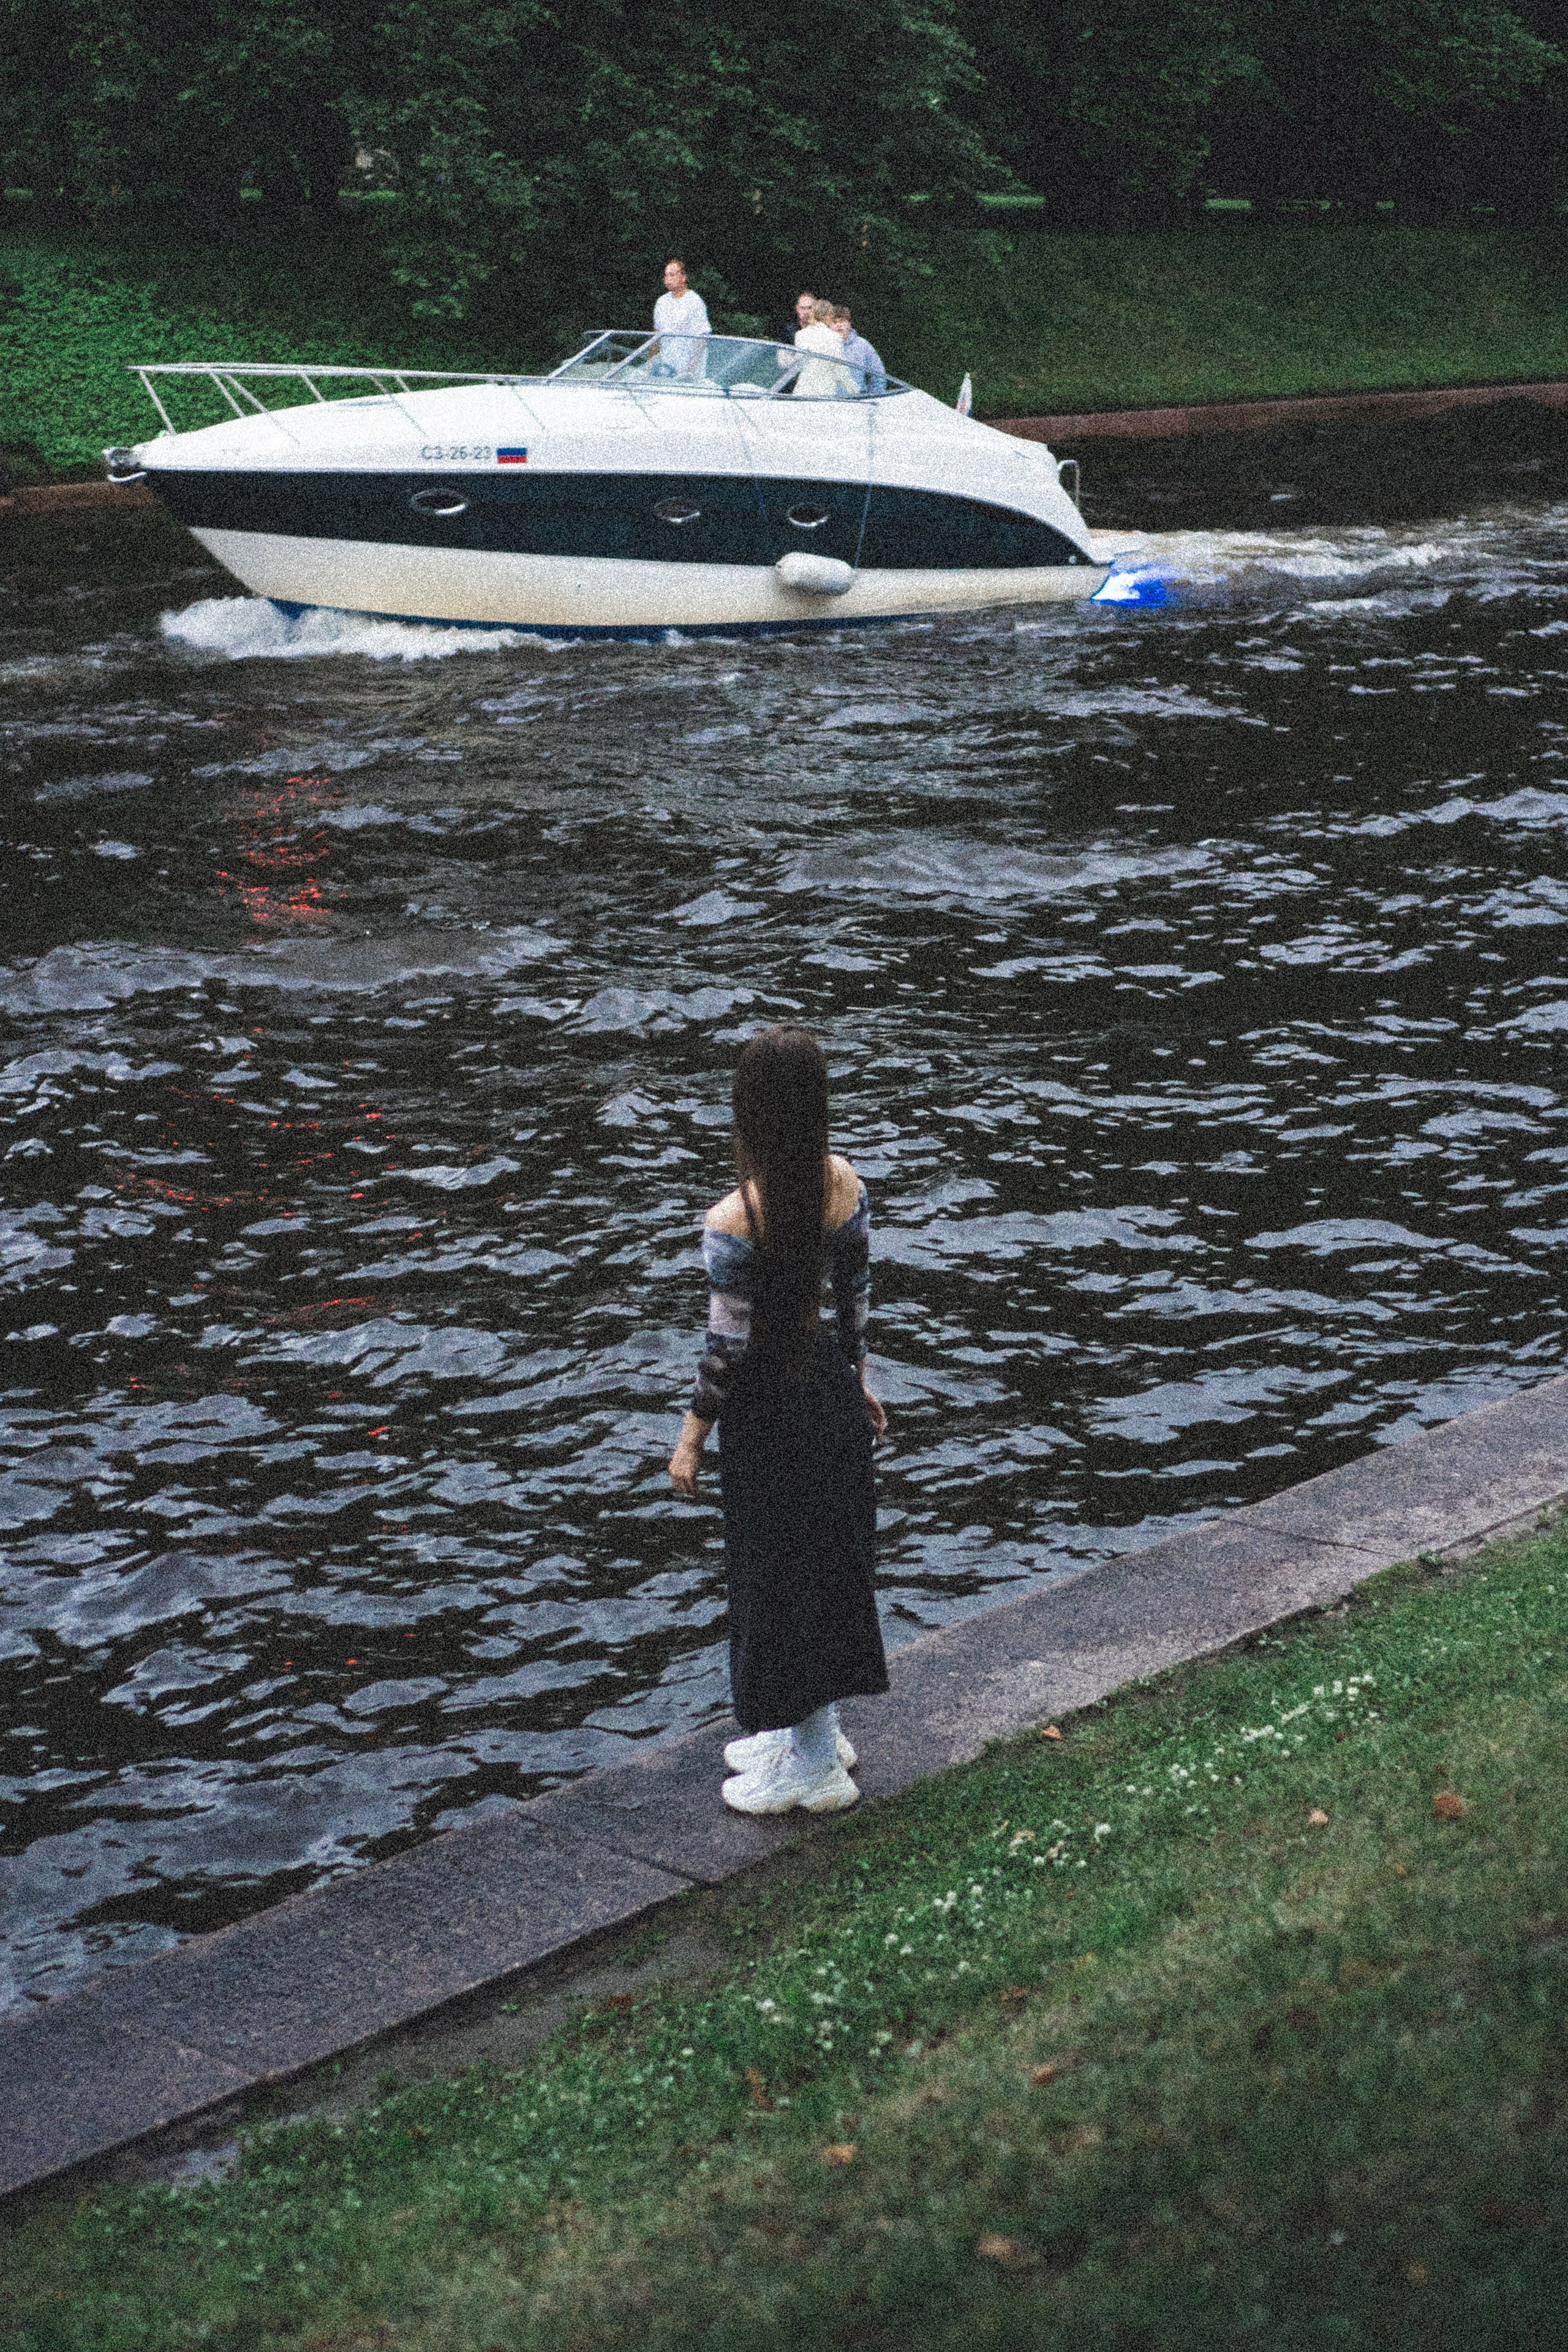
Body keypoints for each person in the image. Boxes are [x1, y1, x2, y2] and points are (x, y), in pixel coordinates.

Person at [669, 1026, 888, 1814]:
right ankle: (809, 1732)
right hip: (827, 1392)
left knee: (777, 1575)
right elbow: (856, 1298)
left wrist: (689, 1441)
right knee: (827, 1568)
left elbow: (724, 1351)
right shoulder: (844, 1183)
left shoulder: (734, 1217)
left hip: (768, 1410)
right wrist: (859, 1381)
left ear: (749, 1115)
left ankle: (814, 1761)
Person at [651, 257, 710, 378]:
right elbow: (656, 338)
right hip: (665, 367)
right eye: (666, 275)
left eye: (672, 275)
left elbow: (702, 339)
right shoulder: (661, 302)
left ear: (683, 277)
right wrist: (650, 365)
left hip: (688, 370)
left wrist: (690, 370)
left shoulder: (695, 301)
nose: (668, 279)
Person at [791, 297, 854, 398]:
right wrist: (854, 390)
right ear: (829, 315)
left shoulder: (800, 335)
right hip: (824, 393)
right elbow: (840, 369)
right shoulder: (835, 337)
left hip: (802, 391)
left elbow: (798, 364)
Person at [832, 304, 886, 396]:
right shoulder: (823, 346)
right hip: (830, 402)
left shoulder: (863, 345)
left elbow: (879, 375)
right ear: (829, 325)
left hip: (858, 402)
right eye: (835, 322)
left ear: (849, 324)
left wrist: (873, 398)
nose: (839, 325)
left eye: (842, 321)